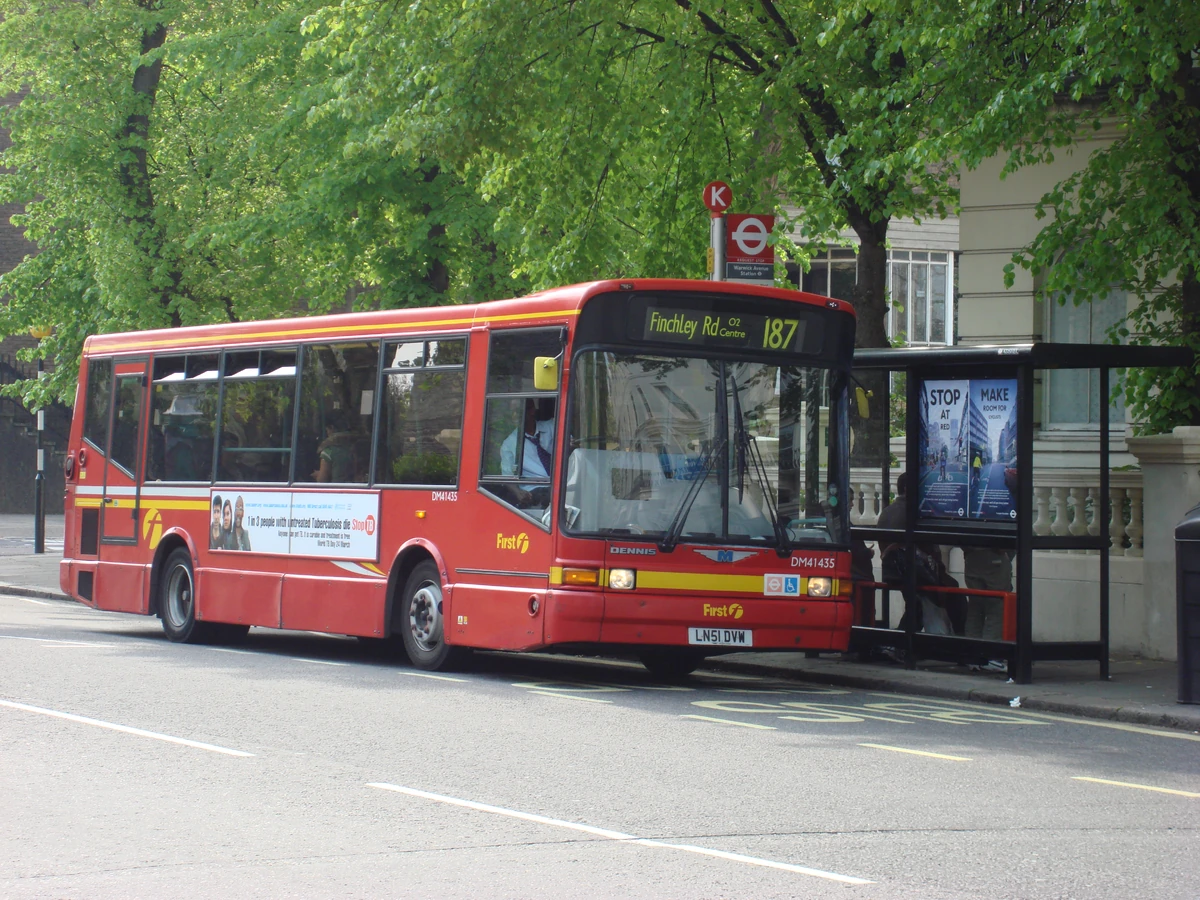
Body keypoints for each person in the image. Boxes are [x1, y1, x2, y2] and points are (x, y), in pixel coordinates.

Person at [500, 398, 556, 504]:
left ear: (531, 410)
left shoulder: (551, 427)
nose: (514, 415)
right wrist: (518, 492)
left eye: (518, 411)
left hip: (561, 484)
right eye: (512, 412)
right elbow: (507, 477)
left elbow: (571, 447)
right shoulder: (509, 444)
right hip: (535, 490)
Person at [312, 418, 356, 483]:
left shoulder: (328, 451)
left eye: (327, 430)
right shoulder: (352, 449)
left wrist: (317, 474)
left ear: (332, 428)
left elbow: (322, 479)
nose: (327, 433)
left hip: (335, 489)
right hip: (351, 488)